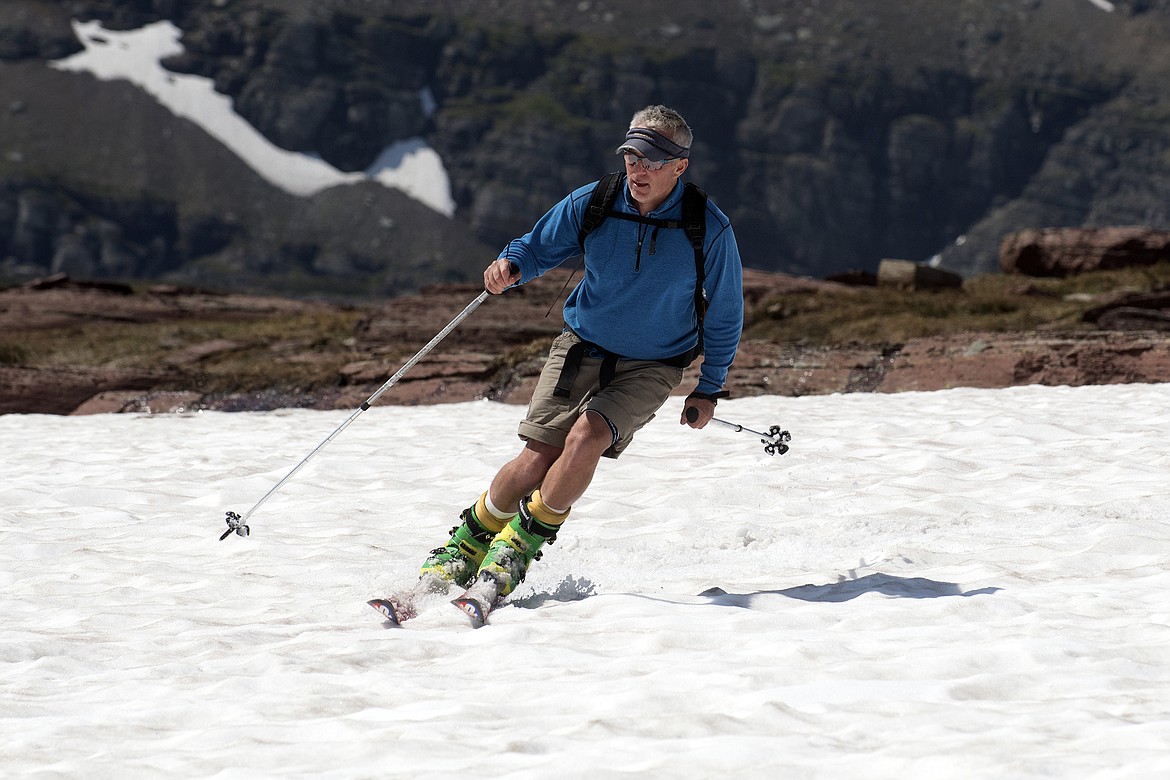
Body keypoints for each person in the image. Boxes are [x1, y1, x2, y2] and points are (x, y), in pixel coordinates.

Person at [420, 104, 744, 604]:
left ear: (680, 166)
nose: (638, 168)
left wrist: (709, 388)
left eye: (653, 160)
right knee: (535, 461)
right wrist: (511, 265)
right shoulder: (596, 201)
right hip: (581, 346)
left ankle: (516, 550)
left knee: (586, 436)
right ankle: (463, 548)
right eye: (633, 156)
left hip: (654, 364)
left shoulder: (709, 227)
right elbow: (537, 246)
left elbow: (724, 313)